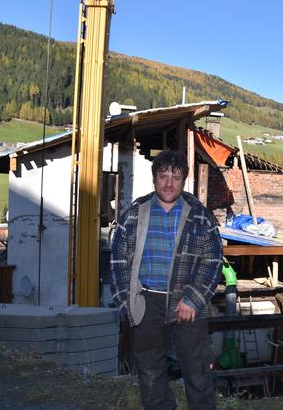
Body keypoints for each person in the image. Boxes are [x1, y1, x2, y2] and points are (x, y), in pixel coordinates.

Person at [110, 149, 222, 410]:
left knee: (197, 371)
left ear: (184, 181)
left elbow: (213, 260)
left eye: (176, 177)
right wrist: (127, 304)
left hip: (188, 304)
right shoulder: (135, 214)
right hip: (146, 301)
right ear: (154, 179)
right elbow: (118, 261)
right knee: (149, 371)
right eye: (163, 176)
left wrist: (193, 300)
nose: (169, 183)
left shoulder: (201, 216)